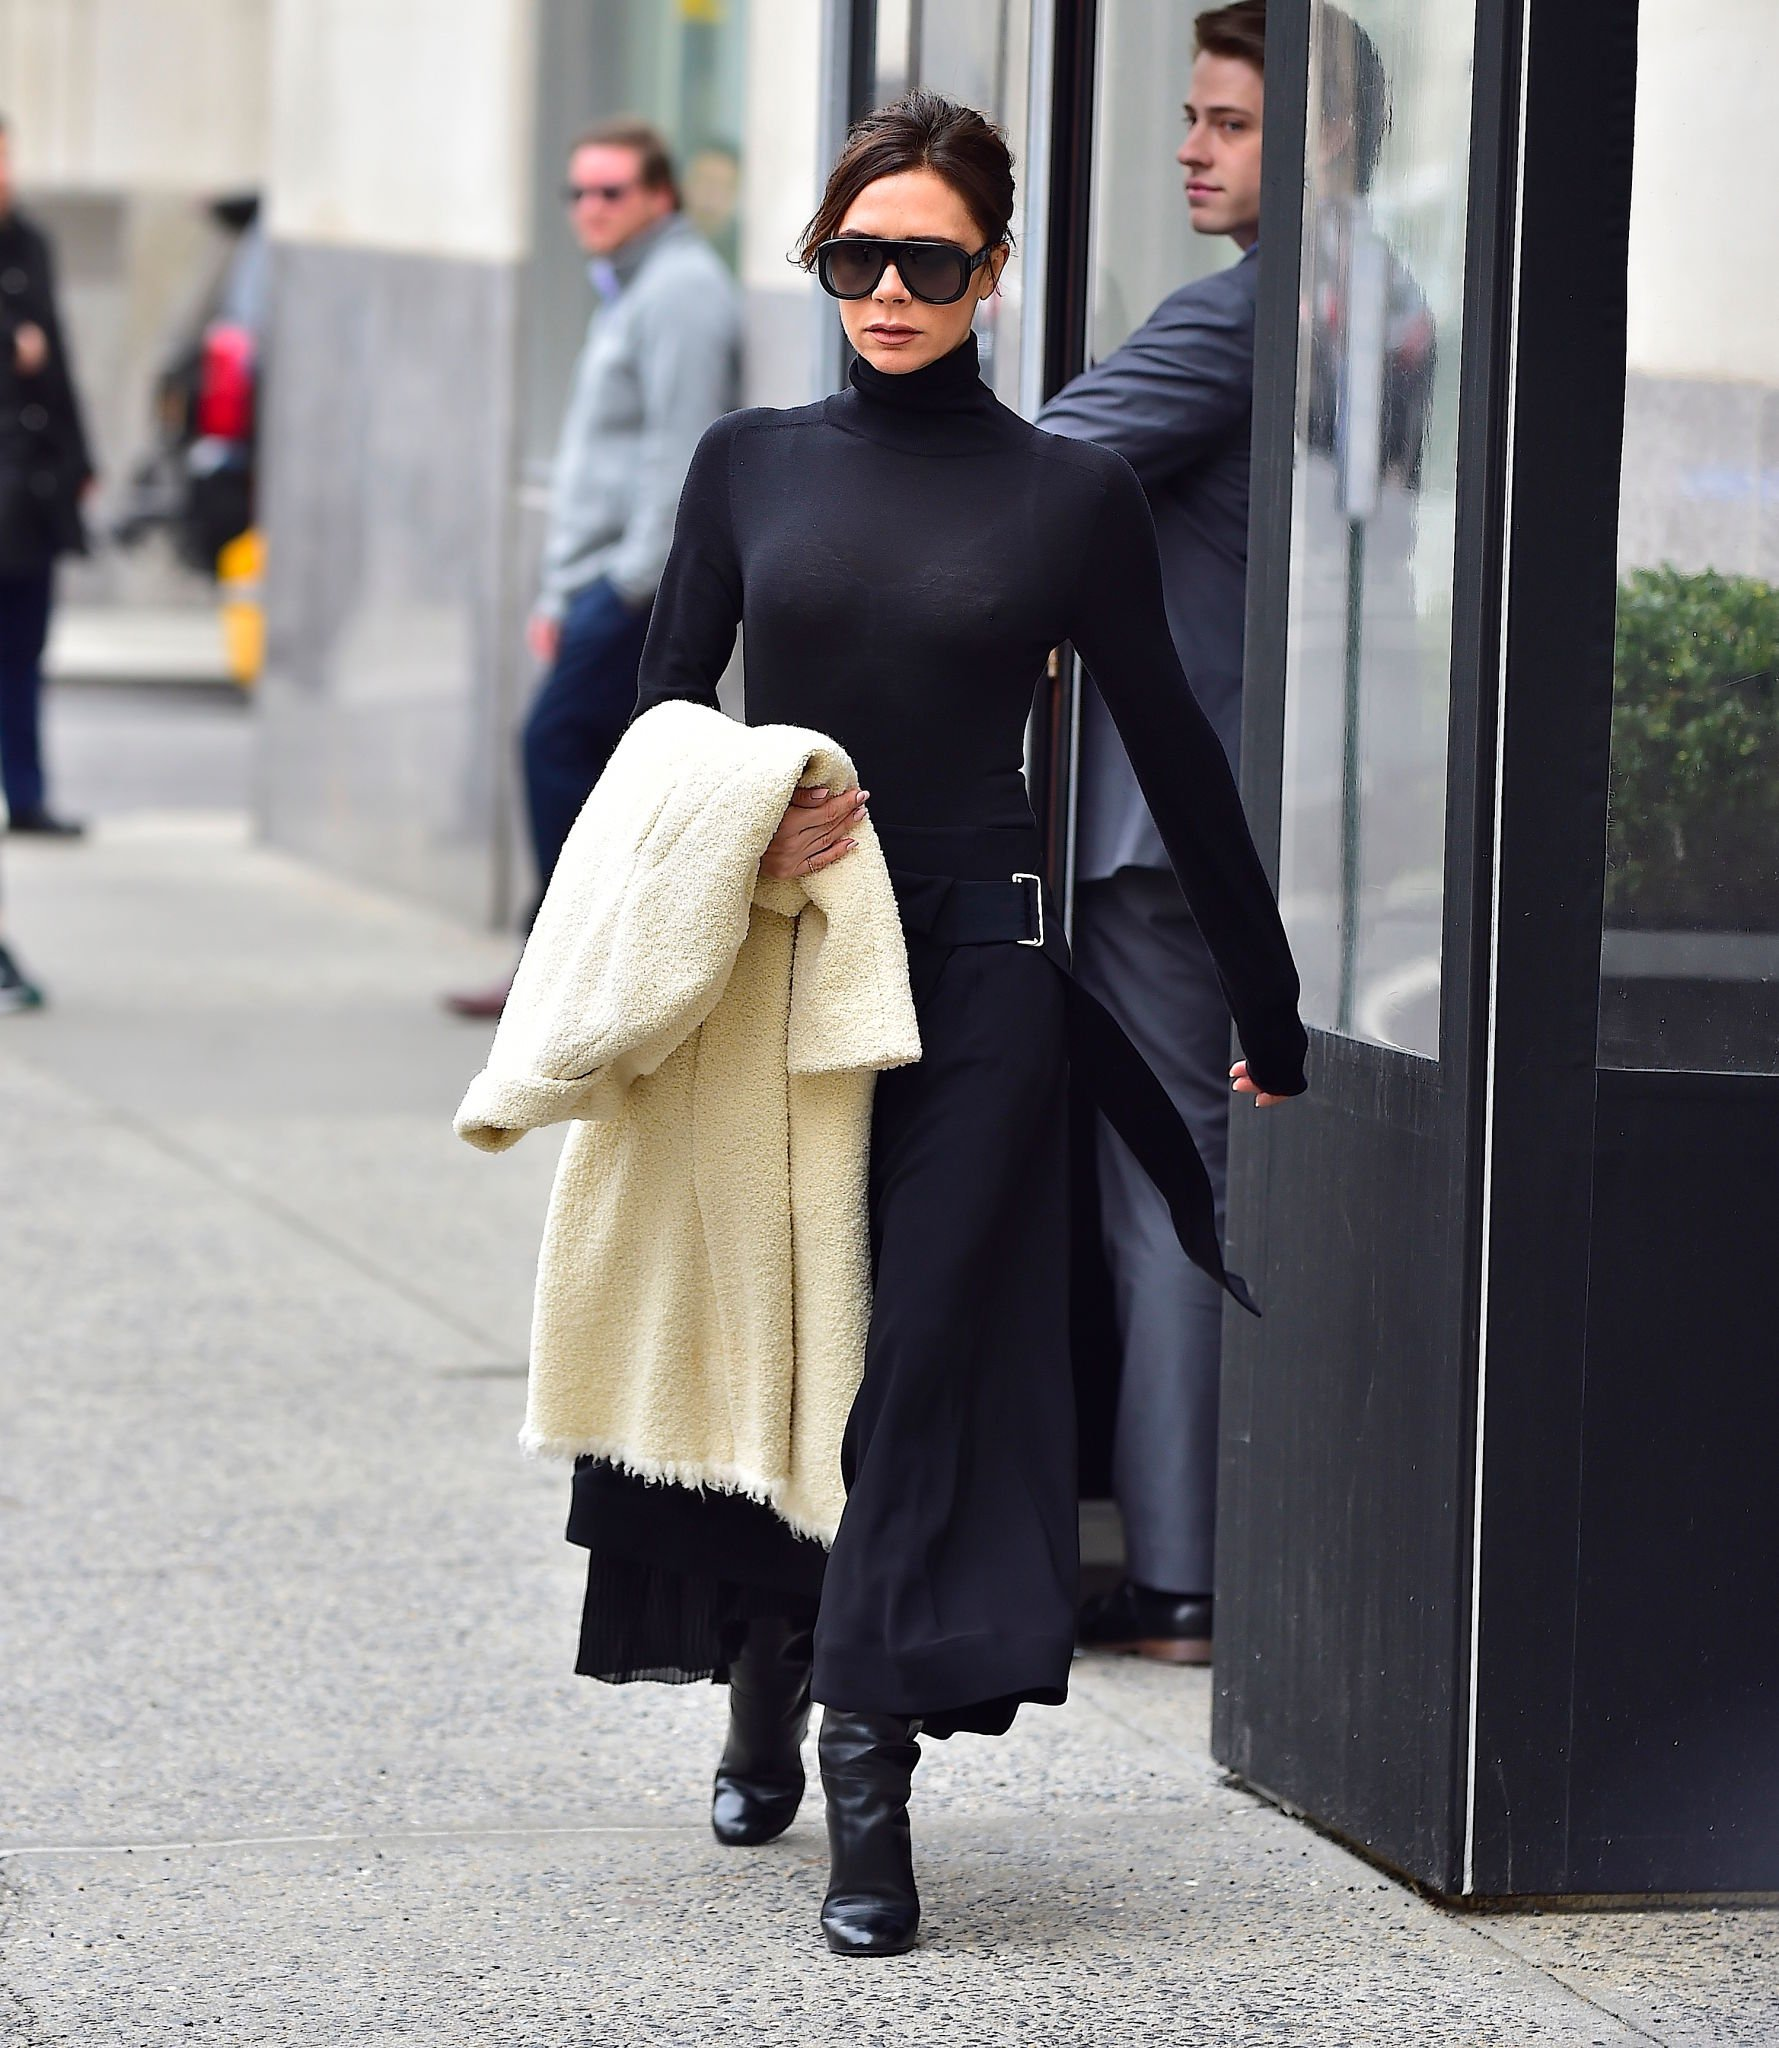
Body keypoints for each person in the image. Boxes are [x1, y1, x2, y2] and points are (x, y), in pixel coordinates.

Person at [559, 91, 1308, 1957]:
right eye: (854, 257)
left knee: (916, 1363)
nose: (886, 291)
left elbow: (1174, 748)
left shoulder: (1067, 495)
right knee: (783, 1337)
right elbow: (661, 713)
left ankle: (863, 1757)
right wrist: (743, 821)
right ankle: (765, 1659)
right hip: (778, 970)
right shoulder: (746, 464)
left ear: (991, 271)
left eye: (926, 260)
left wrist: (1266, 999)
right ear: (820, 263)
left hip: (978, 982)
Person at [1036, 0, 1268, 1666]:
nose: (1186, 148)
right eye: (1186, 116)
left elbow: (1033, 468)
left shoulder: (1233, 318)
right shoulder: (1376, 306)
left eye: (1226, 122)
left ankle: (1178, 1569)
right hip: (1270, 819)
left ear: (1318, 142)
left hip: (1160, 836)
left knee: (1165, 1189)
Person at [445, 119, 740, 1018]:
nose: (589, 208)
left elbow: (679, 450)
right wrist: (559, 591)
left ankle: (565, 963)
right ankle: (591, 967)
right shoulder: (633, 287)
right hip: (598, 583)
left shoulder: (680, 291)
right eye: (577, 192)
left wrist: (625, 587)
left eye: (610, 192)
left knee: (553, 745)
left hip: (634, 586)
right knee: (611, 775)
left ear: (660, 197)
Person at [0, 114, 93, 838]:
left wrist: (81, 459)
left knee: (25, 652)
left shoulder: (31, 243)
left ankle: (26, 795)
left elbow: (57, 359)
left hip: (32, 490)